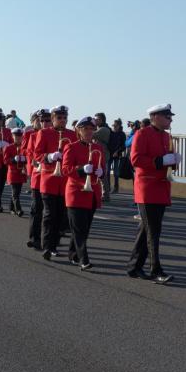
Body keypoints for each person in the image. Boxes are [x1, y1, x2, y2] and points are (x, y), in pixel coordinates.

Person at [127, 104, 181, 284]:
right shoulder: (142, 134)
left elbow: (166, 162)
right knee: (153, 232)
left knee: (146, 230)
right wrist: (160, 160)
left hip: (161, 188)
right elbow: (135, 159)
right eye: (167, 116)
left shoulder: (167, 136)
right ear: (155, 117)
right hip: (147, 188)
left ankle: (134, 266)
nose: (170, 120)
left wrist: (174, 161)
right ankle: (156, 270)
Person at [34, 105, 78, 260]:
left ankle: (54, 243)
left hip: (65, 181)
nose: (63, 120)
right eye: (59, 118)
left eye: (65, 117)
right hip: (49, 179)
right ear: (53, 119)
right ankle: (47, 246)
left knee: (61, 217)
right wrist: (50, 157)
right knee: (49, 215)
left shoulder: (72, 135)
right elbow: (37, 155)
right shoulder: (44, 133)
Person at [63, 116, 105, 271]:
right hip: (76, 192)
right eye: (85, 129)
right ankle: (83, 259)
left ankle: (73, 254)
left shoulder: (98, 148)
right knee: (79, 229)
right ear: (79, 130)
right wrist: (81, 169)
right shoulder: (71, 147)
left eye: (91, 129)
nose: (88, 132)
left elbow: (103, 168)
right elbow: (66, 169)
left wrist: (102, 172)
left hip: (92, 192)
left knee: (83, 229)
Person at [24, 110, 49, 250]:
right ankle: (34, 238)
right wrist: (32, 161)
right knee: (36, 209)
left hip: (52, 178)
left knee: (50, 213)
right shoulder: (32, 135)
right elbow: (28, 151)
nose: (44, 123)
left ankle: (49, 240)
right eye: (42, 120)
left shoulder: (58, 136)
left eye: (47, 120)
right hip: (38, 177)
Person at [3, 128, 27, 216]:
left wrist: (26, 159)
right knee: (15, 193)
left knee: (17, 192)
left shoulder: (24, 147)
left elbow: (29, 157)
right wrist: (13, 159)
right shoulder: (8, 147)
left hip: (21, 173)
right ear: (12, 137)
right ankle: (19, 210)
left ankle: (11, 208)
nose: (18, 138)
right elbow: (5, 161)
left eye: (20, 136)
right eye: (16, 136)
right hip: (13, 173)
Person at [93, 112, 111, 201]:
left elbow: (92, 134)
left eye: (97, 119)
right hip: (99, 155)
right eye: (95, 119)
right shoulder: (99, 128)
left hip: (103, 155)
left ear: (102, 120)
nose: (95, 121)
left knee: (102, 176)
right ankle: (103, 194)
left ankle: (105, 195)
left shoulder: (103, 129)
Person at [109, 118, 126, 193]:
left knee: (116, 172)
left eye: (115, 125)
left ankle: (116, 188)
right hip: (109, 154)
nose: (114, 127)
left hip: (117, 155)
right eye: (113, 125)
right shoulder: (111, 133)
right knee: (107, 172)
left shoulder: (122, 134)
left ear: (119, 126)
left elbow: (123, 145)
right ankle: (108, 187)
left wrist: (117, 151)